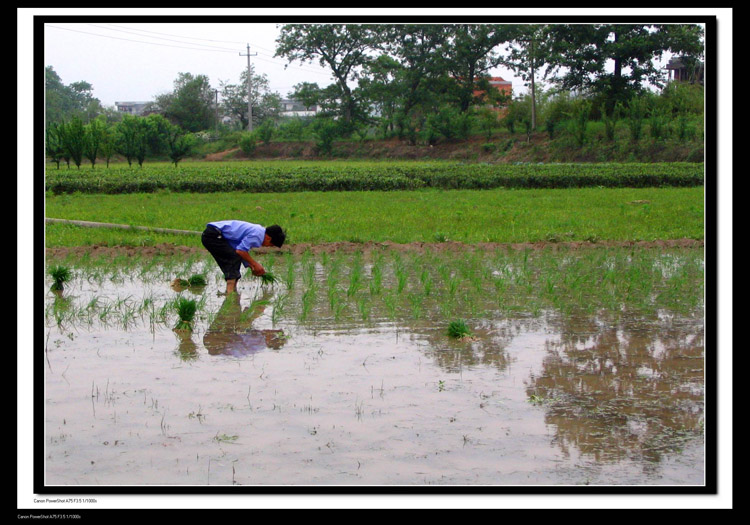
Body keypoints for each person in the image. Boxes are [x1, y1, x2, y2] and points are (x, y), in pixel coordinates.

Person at [201, 220, 285, 294]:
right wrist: (255, 264)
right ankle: (229, 293)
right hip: (212, 235)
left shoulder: (259, 231)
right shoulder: (257, 235)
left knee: (235, 257)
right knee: (233, 259)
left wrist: (251, 266)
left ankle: (233, 292)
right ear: (268, 238)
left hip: (215, 234)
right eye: (270, 245)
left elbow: (239, 249)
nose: (268, 247)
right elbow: (240, 251)